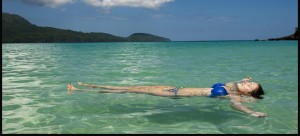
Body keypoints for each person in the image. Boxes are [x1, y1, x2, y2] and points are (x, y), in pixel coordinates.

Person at [67, 76, 267, 117]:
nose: (247, 83)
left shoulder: (234, 96)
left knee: (130, 91)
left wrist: (252, 112)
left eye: (250, 85)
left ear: (248, 93)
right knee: (132, 86)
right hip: (175, 87)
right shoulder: (231, 86)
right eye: (250, 81)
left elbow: (237, 106)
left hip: (174, 95)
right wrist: (243, 79)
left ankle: (79, 90)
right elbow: (234, 83)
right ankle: (91, 84)